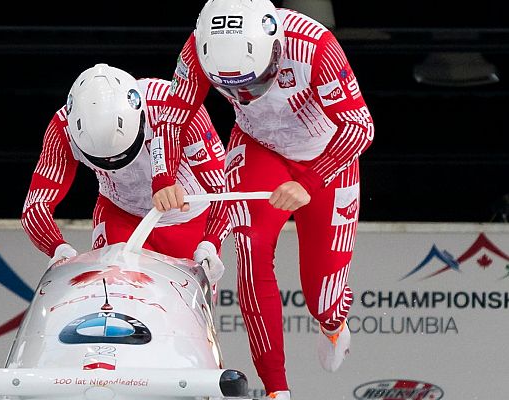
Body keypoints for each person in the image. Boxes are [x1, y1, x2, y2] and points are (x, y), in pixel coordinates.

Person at [149, 0, 375, 398]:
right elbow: (172, 115)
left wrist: (309, 179)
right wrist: (164, 176)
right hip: (258, 146)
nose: (245, 94)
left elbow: (360, 127)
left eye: (252, 83)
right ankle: (276, 390)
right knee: (250, 248)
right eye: (232, 88)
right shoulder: (198, 48)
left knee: (322, 295)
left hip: (327, 158)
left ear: (274, 49)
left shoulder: (314, 46)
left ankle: (334, 321)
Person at [21, 63, 229, 285]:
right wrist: (58, 248)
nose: (114, 164)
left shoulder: (177, 104)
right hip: (121, 217)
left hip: (190, 220)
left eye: (122, 155)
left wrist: (211, 242)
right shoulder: (62, 129)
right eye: (104, 161)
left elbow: (223, 188)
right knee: (115, 298)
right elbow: (35, 206)